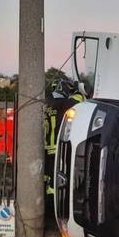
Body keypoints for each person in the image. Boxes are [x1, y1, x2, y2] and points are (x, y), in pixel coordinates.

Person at [43, 79, 84, 215]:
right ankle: (55, 211)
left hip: (46, 148)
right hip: (58, 150)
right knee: (58, 181)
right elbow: (79, 99)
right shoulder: (65, 104)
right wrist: (78, 89)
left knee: (47, 180)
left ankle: (46, 209)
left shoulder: (47, 104)